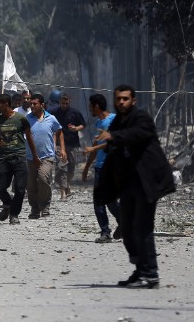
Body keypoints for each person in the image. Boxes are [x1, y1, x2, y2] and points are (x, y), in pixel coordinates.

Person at [95, 85, 175, 289]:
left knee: (143, 228)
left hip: (148, 181)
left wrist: (113, 137)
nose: (121, 102)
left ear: (133, 101)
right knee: (128, 228)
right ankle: (140, 269)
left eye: (125, 99)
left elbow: (138, 134)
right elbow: (113, 147)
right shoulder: (117, 123)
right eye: (118, 99)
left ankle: (150, 275)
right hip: (129, 182)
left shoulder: (141, 118)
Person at [0, 94, 41, 224]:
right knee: (0, 188)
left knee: (20, 189)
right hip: (5, 158)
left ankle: (14, 214)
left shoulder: (21, 119)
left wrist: (35, 157)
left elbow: (29, 138)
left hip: (19, 157)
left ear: (6, 104)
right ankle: (7, 203)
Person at [81, 94, 121, 243]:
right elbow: (95, 149)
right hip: (100, 168)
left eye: (90, 106)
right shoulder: (99, 124)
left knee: (106, 201)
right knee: (102, 201)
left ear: (96, 106)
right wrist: (86, 169)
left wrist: (94, 148)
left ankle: (115, 227)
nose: (90, 109)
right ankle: (107, 231)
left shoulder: (114, 120)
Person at [25, 94, 65, 218]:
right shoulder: (27, 118)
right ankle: (35, 208)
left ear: (42, 105)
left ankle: (45, 206)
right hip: (31, 157)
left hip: (46, 156)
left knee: (43, 179)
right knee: (31, 184)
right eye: (31, 104)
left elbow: (59, 131)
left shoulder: (51, 118)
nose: (32, 106)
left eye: (34, 104)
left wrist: (63, 149)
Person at [51, 92, 86, 200]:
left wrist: (76, 129)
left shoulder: (75, 113)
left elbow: (83, 125)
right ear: (59, 102)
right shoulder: (54, 113)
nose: (64, 105)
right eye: (62, 103)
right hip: (59, 145)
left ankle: (67, 185)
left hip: (72, 144)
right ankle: (63, 194)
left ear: (69, 102)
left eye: (66, 103)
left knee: (71, 168)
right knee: (61, 167)